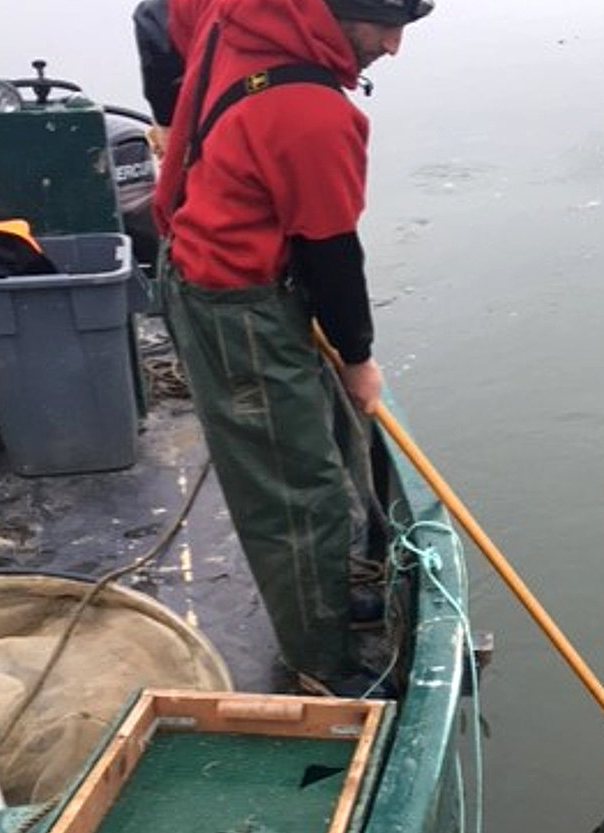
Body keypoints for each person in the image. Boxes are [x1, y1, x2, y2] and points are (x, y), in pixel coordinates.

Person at [132, 0, 433, 696]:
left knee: (320, 446)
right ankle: (321, 664)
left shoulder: (239, 13)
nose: (393, 47)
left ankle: (323, 600)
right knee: (300, 493)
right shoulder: (314, 115)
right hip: (234, 303)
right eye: (383, 26)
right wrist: (357, 358)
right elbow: (330, 253)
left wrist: (170, 111)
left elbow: (154, 16)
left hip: (214, 261)